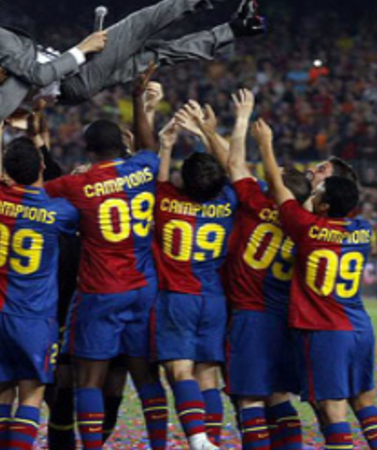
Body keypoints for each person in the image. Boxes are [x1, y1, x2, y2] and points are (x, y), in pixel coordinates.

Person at [258, 129, 377, 450]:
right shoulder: (362, 229)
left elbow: (280, 188)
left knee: (333, 411)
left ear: (325, 202)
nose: (314, 180)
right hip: (359, 327)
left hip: (324, 330)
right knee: (364, 401)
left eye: (320, 182)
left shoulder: (306, 227)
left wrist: (264, 144)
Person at [42, 108, 166, 449]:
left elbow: (35, 192)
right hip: (143, 287)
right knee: (146, 377)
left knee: (89, 379)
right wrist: (140, 100)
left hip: (102, 289)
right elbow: (149, 147)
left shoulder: (77, 184)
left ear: (88, 150)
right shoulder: (143, 169)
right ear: (122, 146)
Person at [0, 0, 266, 127]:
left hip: (72, 81)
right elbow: (37, 74)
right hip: (73, 75)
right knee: (143, 22)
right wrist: (83, 48)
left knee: (157, 55)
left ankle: (237, 29)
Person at [0, 126, 79, 450]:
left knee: (1, 390)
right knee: (32, 393)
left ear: (7, 174)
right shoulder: (58, 212)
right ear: (41, 167)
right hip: (33, 316)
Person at [220, 91, 310, 450]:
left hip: (250, 316)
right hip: (285, 318)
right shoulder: (305, 224)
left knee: (250, 400)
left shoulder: (256, 203)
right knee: (279, 396)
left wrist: (243, 117)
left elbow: (234, 164)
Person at [148, 99, 236, 450]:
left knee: (179, 371)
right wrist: (207, 132)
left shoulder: (166, 201)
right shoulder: (227, 201)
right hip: (213, 299)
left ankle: (199, 441)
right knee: (207, 375)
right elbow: (232, 166)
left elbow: (158, 180)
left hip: (177, 297)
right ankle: (211, 441)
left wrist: (166, 145)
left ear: (183, 179)